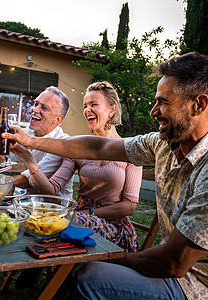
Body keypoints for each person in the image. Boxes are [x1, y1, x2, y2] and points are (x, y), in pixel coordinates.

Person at [4, 52, 208, 299]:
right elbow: (97, 147)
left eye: (163, 102)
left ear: (199, 105)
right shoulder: (164, 144)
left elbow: (173, 263)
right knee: (78, 263)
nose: (153, 111)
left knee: (90, 276)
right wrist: (30, 140)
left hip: (202, 288)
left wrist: (107, 258)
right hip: (172, 272)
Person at [14, 81, 142, 252]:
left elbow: (129, 207)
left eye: (93, 105)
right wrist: (29, 159)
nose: (87, 110)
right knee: (41, 222)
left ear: (112, 108)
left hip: (112, 224)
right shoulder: (79, 147)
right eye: (85, 106)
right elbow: (52, 189)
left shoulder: (130, 150)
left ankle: (50, 269)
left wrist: (89, 214)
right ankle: (43, 270)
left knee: (58, 226)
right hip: (79, 216)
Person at [3, 86, 73, 198]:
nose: (34, 110)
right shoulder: (29, 130)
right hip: (29, 202)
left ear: (57, 119)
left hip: (54, 207)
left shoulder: (61, 143)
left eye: (44, 108)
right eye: (36, 104)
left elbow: (29, 180)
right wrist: (0, 147)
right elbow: (4, 161)